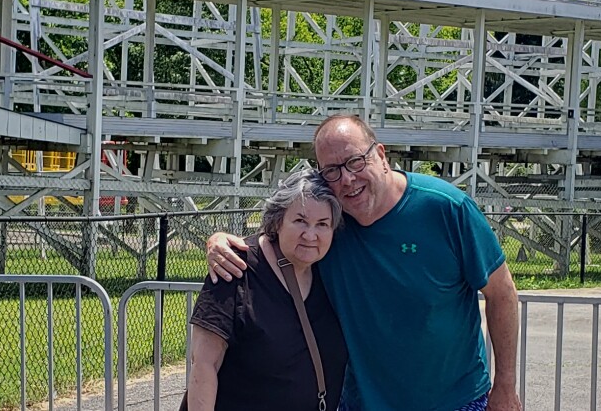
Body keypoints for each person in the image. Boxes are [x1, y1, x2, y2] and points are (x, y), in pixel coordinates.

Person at [207, 114, 522, 411]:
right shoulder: (327, 226)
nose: (347, 179)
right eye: (332, 171)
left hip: (454, 399)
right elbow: (279, 239)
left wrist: (506, 383)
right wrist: (220, 241)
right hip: (363, 403)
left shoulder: (446, 209)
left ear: (381, 155)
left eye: (356, 161)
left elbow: (503, 292)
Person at [186, 169, 349, 410]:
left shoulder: (331, 270)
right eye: (300, 220)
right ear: (278, 220)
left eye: (322, 224)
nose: (310, 235)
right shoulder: (235, 265)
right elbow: (203, 364)